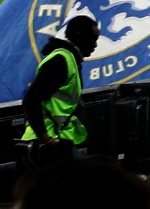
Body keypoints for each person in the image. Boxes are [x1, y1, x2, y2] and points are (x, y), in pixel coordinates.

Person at [20, 15, 99, 165]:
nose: (95, 45)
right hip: (48, 145)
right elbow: (30, 100)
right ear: (79, 37)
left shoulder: (69, 60)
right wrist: (46, 140)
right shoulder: (61, 61)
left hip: (55, 142)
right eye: (93, 39)